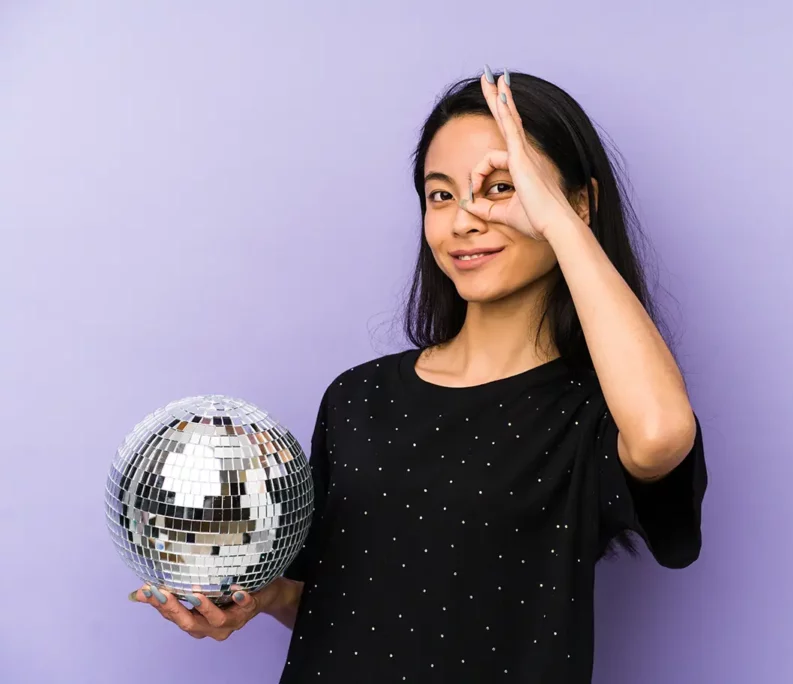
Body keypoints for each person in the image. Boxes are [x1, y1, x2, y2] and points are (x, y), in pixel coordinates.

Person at [131, 65, 708, 683]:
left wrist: (558, 220)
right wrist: (267, 598)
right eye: (440, 195)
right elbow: (354, 608)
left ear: (577, 202)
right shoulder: (358, 398)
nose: (463, 220)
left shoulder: (595, 413)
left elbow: (660, 435)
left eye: (502, 187)